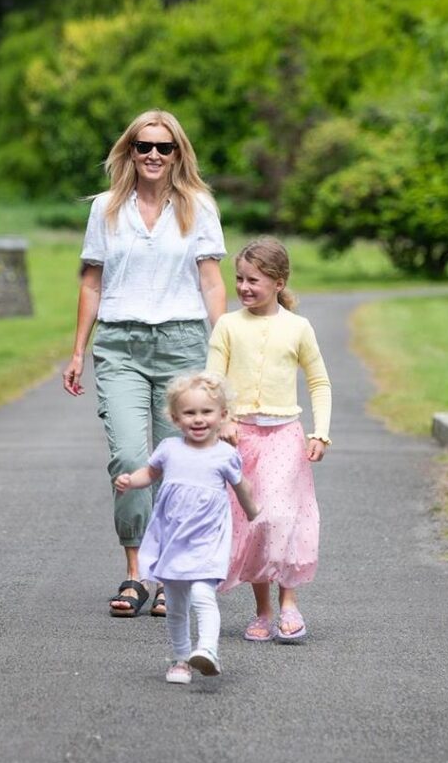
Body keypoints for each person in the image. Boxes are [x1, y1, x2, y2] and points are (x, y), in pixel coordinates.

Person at [63, 109, 227, 619]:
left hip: (182, 343)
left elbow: (212, 282)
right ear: (129, 152)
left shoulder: (197, 206)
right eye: (143, 146)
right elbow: (92, 281)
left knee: (178, 465)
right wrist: (77, 351)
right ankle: (137, 573)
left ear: (178, 153)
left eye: (164, 147)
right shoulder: (107, 209)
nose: (153, 155)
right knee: (131, 459)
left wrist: (221, 351)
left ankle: (168, 573)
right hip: (121, 345)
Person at [206, 237, 332, 643]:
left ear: (279, 282)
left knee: (281, 516)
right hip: (240, 439)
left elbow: (319, 381)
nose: (243, 287)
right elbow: (213, 380)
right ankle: (262, 611)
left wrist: (321, 431)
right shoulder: (227, 325)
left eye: (253, 280)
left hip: (284, 436)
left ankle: (289, 604)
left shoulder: (297, 328)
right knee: (254, 523)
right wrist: (222, 419)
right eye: (239, 279)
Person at [115, 372, 257, 683]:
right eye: (189, 413)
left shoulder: (225, 454)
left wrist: (252, 512)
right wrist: (130, 481)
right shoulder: (169, 448)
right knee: (176, 606)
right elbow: (149, 474)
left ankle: (207, 650)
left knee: (203, 596)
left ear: (222, 415)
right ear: (176, 417)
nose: (198, 419)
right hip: (173, 541)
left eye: (206, 412)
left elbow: (242, 487)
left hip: (208, 540)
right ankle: (180, 659)